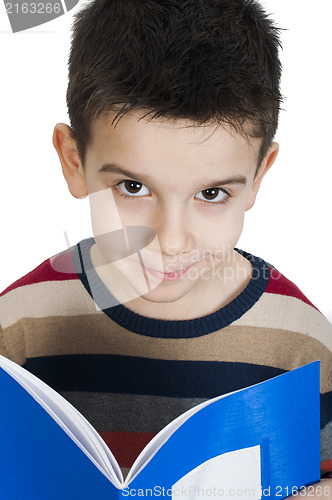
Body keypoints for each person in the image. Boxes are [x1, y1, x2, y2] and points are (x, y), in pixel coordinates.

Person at [0, 0, 331, 496]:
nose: (171, 241)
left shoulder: (300, 344)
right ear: (74, 161)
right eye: (133, 189)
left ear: (259, 177)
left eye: (212, 194)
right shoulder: (18, 328)